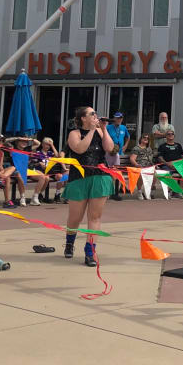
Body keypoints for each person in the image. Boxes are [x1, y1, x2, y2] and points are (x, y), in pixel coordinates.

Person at [64, 106, 115, 266]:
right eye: (92, 114)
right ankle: (70, 242)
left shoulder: (100, 131)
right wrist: (92, 130)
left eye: (95, 113)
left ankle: (90, 251)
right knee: (75, 218)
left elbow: (110, 149)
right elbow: (80, 149)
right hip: (79, 177)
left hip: (99, 176)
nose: (96, 116)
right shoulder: (74, 134)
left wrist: (104, 129)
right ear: (83, 118)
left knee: (95, 216)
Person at [7, 136, 49, 206]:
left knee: (42, 177)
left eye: (26, 142)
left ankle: (35, 198)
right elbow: (6, 141)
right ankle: (22, 197)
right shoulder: (12, 148)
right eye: (22, 141)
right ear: (18, 142)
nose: (24, 143)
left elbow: (38, 143)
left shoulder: (28, 149)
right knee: (19, 175)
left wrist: (30, 139)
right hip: (16, 169)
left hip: (27, 169)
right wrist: (18, 138)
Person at [0, 133, 25, 207]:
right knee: (7, 177)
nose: (1, 142)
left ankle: (6, 201)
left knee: (12, 169)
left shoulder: (2, 152)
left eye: (2, 141)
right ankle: (1, 180)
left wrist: (2, 172)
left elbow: (0, 166)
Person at [31, 137, 67, 203]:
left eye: (49, 145)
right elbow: (33, 162)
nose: (48, 146)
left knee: (60, 177)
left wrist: (52, 145)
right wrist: (39, 163)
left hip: (51, 172)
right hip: (41, 172)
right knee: (46, 178)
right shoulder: (38, 153)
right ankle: (39, 194)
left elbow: (58, 156)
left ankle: (57, 194)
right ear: (42, 144)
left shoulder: (50, 153)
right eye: (46, 144)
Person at [154, 130, 183, 198]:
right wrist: (168, 164)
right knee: (166, 174)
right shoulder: (162, 146)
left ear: (174, 136)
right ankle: (168, 192)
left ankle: (177, 191)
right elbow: (160, 158)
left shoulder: (178, 145)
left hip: (178, 165)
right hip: (166, 165)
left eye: (172, 134)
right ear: (166, 136)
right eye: (168, 134)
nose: (170, 135)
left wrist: (181, 163)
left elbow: (182, 156)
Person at [106, 112, 130, 200]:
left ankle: (116, 191)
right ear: (114, 118)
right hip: (110, 153)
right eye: (117, 118)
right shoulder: (108, 127)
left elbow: (128, 137)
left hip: (120, 153)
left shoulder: (123, 127)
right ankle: (110, 191)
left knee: (116, 172)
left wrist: (126, 146)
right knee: (110, 173)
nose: (118, 120)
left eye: (120, 118)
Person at [129, 132, 154, 199]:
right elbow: (132, 159)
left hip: (148, 166)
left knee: (155, 174)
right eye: (144, 137)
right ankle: (139, 191)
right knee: (140, 175)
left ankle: (147, 191)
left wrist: (154, 166)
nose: (146, 139)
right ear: (141, 139)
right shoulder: (136, 148)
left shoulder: (149, 149)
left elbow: (151, 159)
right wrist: (137, 165)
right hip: (139, 167)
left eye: (147, 138)